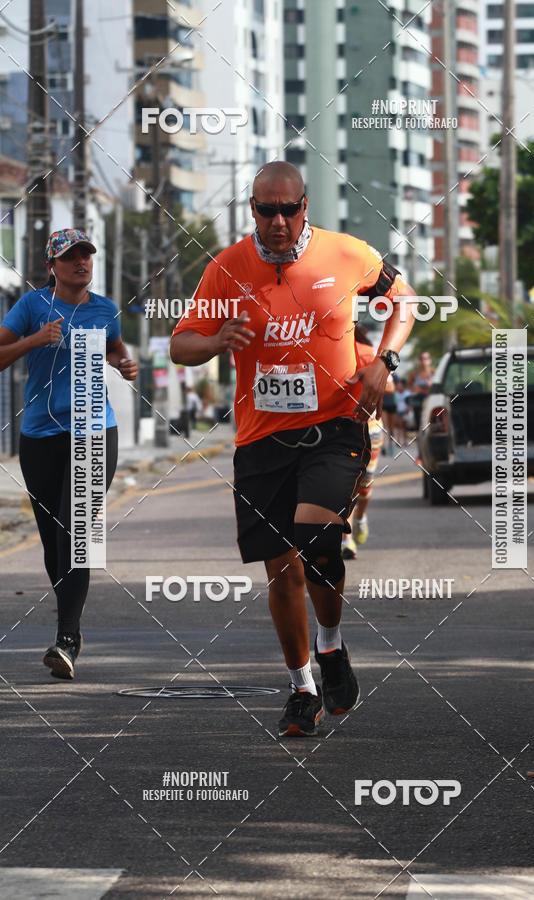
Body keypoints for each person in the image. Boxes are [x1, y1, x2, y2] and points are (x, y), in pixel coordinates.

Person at [170, 162, 415, 737]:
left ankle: (330, 645)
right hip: (262, 438)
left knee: (319, 538)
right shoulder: (227, 268)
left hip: (334, 426)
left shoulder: (347, 254)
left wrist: (383, 361)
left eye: (289, 209)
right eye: (265, 210)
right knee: (281, 570)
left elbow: (404, 300)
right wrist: (214, 340)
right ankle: (302, 685)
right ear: (251, 209)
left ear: (306, 206)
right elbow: (181, 344)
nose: (278, 222)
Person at [0, 228, 138, 679]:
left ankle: (66, 639)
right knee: (52, 540)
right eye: (70, 257)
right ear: (51, 267)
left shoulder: (104, 310)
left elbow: (116, 348)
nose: (81, 262)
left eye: (86, 255)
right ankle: (68, 628)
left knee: (78, 533)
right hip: (40, 435)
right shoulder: (32, 306)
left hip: (94, 431)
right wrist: (33, 341)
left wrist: (123, 362)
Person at [342, 323, 392, 560]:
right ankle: (346, 538)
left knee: (365, 487)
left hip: (369, 427)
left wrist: (373, 380)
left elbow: (389, 385)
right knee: (346, 486)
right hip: (339, 428)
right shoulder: (321, 351)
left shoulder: (365, 351)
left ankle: (360, 517)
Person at [407, 350, 434, 428]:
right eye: (422, 358)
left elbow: (439, 387)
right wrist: (414, 389)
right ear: (419, 361)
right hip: (418, 402)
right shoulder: (415, 374)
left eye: (426, 358)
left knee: (431, 423)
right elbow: (408, 386)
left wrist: (431, 386)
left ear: (430, 360)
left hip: (430, 400)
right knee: (419, 424)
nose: (424, 361)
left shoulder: (434, 372)